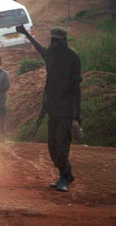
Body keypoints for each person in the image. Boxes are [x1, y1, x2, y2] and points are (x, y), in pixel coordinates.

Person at [16, 25, 82, 192]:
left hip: (66, 110)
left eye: (57, 41)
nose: (54, 44)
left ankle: (64, 178)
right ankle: (66, 173)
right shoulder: (51, 54)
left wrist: (78, 112)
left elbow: (77, 87)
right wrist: (25, 33)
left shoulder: (72, 57)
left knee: (61, 146)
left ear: (64, 41)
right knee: (52, 146)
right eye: (52, 40)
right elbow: (40, 49)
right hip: (52, 109)